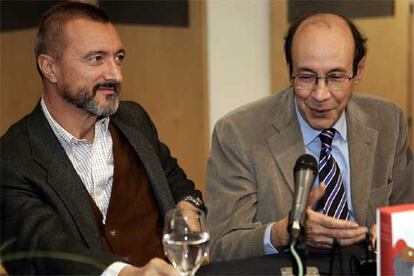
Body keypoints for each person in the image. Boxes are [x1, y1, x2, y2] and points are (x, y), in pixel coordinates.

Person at [0, 2, 205, 275]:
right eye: (96, 59)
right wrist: (127, 273)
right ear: (50, 68)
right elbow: (44, 250)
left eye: (118, 57)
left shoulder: (134, 120)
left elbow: (176, 181)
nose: (115, 75)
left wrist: (188, 209)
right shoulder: (13, 158)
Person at [206, 12, 414, 261]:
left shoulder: (388, 121)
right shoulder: (238, 133)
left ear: (358, 71)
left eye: (335, 77)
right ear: (290, 71)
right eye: (306, 77)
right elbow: (221, 245)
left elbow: (408, 212)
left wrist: (392, 233)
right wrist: (283, 233)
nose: (320, 94)